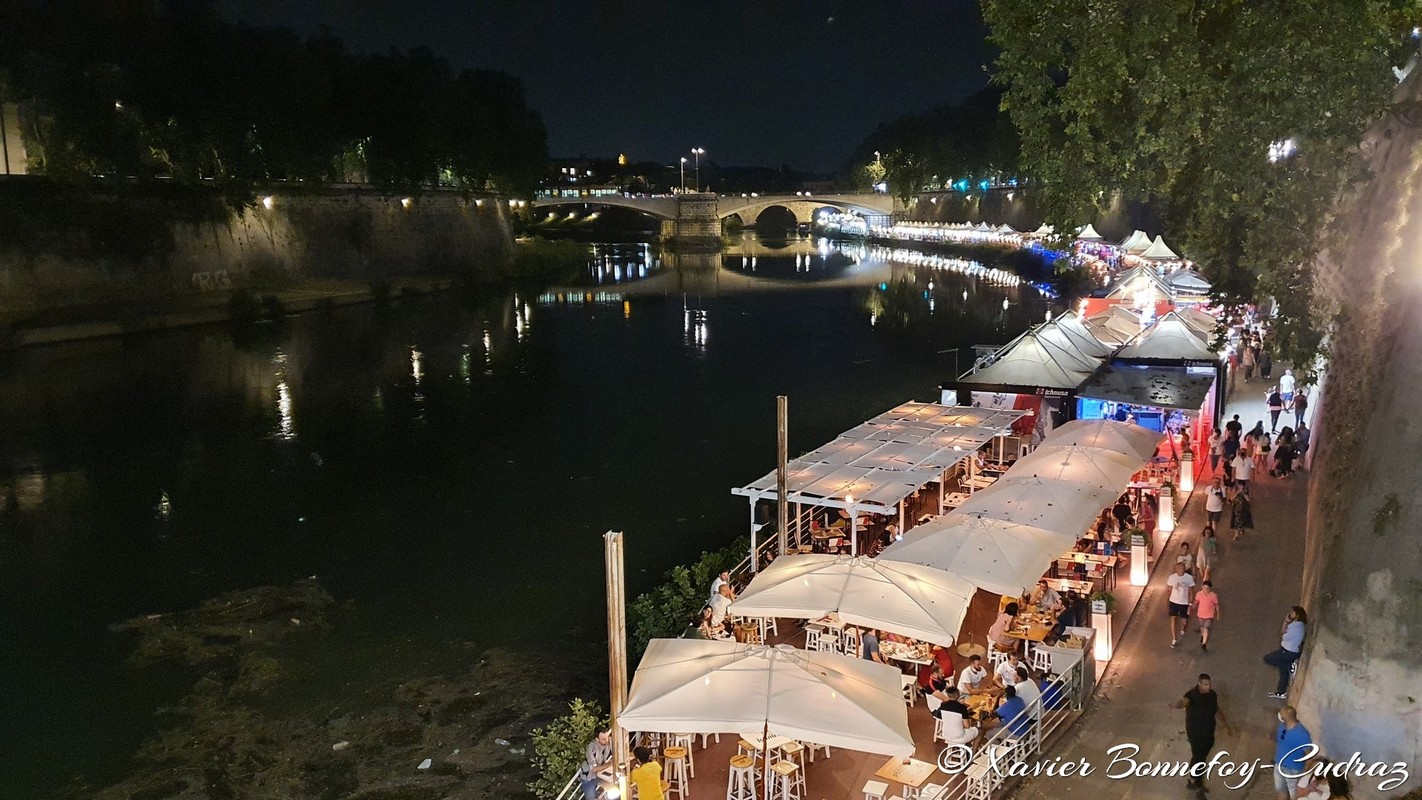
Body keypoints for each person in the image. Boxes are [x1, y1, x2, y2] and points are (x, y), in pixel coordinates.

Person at [1169, 673, 1234, 789]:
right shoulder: (1191, 695)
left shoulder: (1212, 695)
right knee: (1198, 756)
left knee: (1203, 755)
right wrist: (1176, 705)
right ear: (1199, 684)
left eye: (1209, 684)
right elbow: (1184, 702)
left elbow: (1216, 709)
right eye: (1205, 684)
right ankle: (1194, 779)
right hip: (1195, 732)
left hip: (1208, 731)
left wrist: (1226, 724)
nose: (1207, 687)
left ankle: (1196, 779)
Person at [1265, 607, 1308, 698]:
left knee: (1268, 659)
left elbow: (1284, 634)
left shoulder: (1294, 626)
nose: (1290, 613)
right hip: (1292, 652)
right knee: (1283, 673)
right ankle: (1281, 692)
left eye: (1292, 612)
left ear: (1297, 615)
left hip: (1287, 652)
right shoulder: (1301, 625)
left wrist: (1285, 622)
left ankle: (1289, 666)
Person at [1274, 706, 1313, 800]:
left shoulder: (1302, 734)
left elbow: (1309, 755)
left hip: (1293, 769)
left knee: (1294, 794)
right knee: (1282, 791)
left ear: (1286, 716)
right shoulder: (1281, 727)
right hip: (1280, 765)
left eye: (1282, 714)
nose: (1280, 715)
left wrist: (1305, 771)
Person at [578, 729, 615, 800]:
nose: (606, 740)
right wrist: (608, 764)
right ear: (597, 739)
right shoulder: (591, 748)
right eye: (604, 739)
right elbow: (593, 769)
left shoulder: (608, 742)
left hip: (601, 774)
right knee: (590, 798)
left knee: (615, 787)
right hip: (589, 777)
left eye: (607, 737)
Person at [1166, 561, 1195, 648]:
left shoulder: (1189, 578)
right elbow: (1169, 589)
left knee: (1184, 620)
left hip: (1184, 602)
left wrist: (1190, 603)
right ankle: (1174, 638)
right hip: (1174, 601)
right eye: (1180, 568)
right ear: (1176, 569)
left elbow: (1191, 591)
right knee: (1173, 618)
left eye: (1183, 568)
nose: (1181, 570)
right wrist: (1167, 599)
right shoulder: (1172, 578)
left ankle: (1183, 628)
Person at [1192, 580, 1220, 652]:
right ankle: (1202, 635)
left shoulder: (1213, 596)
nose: (1205, 590)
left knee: (1206, 628)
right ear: (1202, 587)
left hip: (1209, 616)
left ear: (1210, 589)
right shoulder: (1199, 594)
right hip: (1200, 615)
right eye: (1204, 588)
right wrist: (1193, 606)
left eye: (1207, 588)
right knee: (1202, 627)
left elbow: (1216, 605)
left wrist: (1218, 614)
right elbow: (1196, 601)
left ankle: (1204, 643)